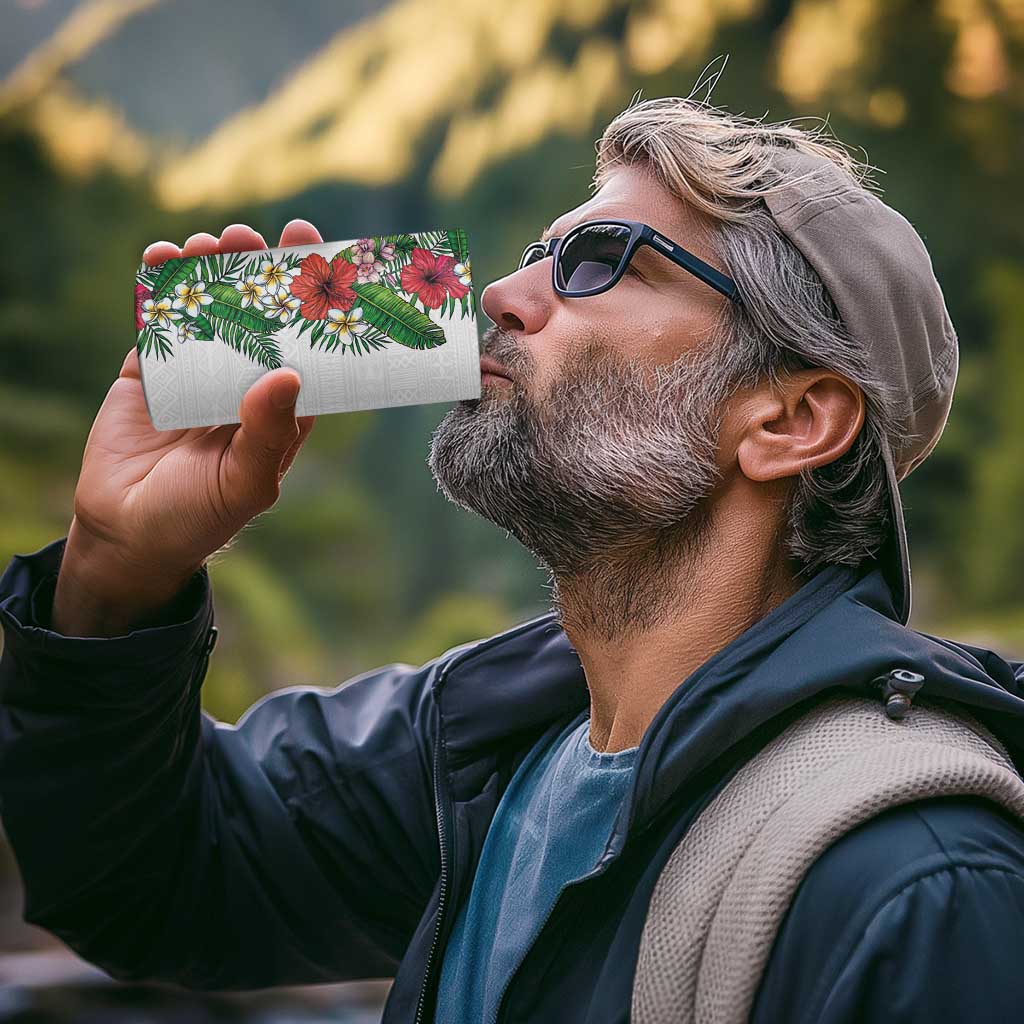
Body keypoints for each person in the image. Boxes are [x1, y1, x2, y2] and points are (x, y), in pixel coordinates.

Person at [2, 94, 1024, 1024]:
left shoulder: (918, 884)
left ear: (790, 419)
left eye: (600, 261)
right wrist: (115, 572)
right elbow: (149, 880)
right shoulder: (480, 748)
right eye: (540, 252)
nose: (500, 291)